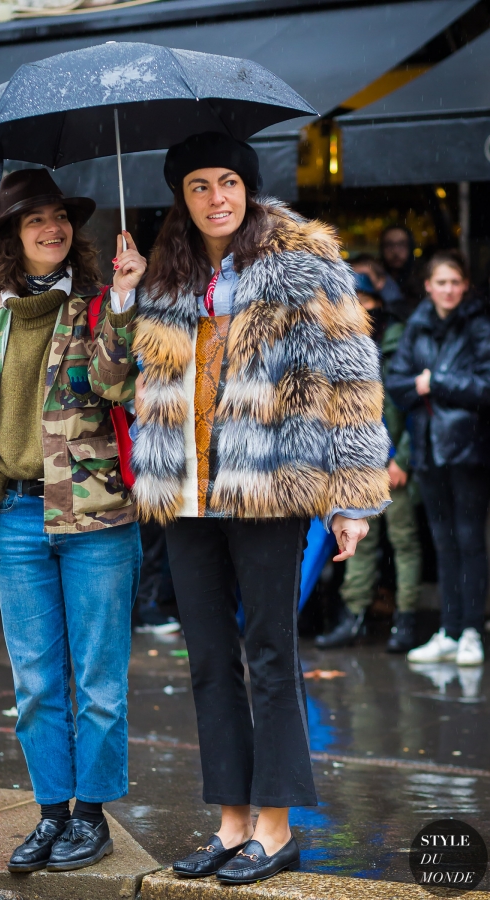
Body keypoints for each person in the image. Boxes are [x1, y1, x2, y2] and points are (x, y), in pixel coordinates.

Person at [131, 132, 390, 884]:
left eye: (228, 183)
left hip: (272, 487)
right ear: (181, 198)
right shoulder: (165, 275)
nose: (217, 198)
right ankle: (230, 823)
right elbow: (128, 386)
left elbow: (352, 380)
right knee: (209, 661)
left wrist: (352, 499)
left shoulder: (301, 261)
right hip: (187, 492)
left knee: (272, 656)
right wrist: (124, 300)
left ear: (248, 187)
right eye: (200, 186)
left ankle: (275, 832)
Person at [0, 168, 146, 873]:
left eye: (60, 216)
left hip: (95, 516)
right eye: (35, 219)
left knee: (98, 677)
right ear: (11, 236)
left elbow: (117, 383)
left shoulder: (99, 304)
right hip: (14, 517)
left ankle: (90, 817)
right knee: (35, 682)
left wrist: (125, 300)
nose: (51, 228)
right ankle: (50, 813)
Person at [387, 250, 490, 667]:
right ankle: (448, 630)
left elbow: (486, 387)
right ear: (428, 286)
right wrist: (426, 386)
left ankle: (471, 631)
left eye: (454, 282)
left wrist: (436, 382)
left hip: (468, 449)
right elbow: (396, 384)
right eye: (440, 282)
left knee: (469, 541)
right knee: (443, 543)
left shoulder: (479, 325)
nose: (448, 290)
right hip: (428, 448)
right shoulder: (417, 325)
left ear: (464, 286)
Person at [315, 272, 422, 652]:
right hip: (359, 467)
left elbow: (413, 408)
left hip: (396, 461)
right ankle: (353, 616)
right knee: (357, 543)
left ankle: (406, 621)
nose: (357, 308)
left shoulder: (396, 343)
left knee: (404, 541)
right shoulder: (332, 343)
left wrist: (403, 459)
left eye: (364, 300)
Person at [379, 225, 422, 311]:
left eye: (402, 244)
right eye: (389, 245)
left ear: (410, 247)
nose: (395, 251)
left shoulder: (422, 276)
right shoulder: (376, 273)